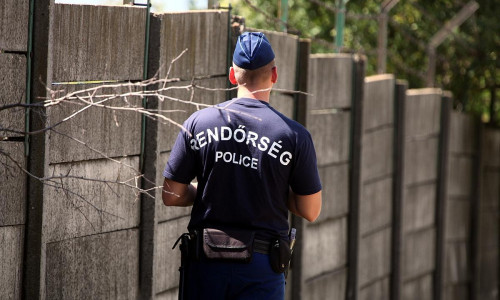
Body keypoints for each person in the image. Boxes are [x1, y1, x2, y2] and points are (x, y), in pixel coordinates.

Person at [162, 31, 322, 300]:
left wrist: (205, 190)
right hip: (262, 268)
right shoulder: (294, 136)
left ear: (232, 75)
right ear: (274, 75)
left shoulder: (198, 123)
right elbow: (311, 210)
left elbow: (171, 194)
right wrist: (277, 191)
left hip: (206, 264)